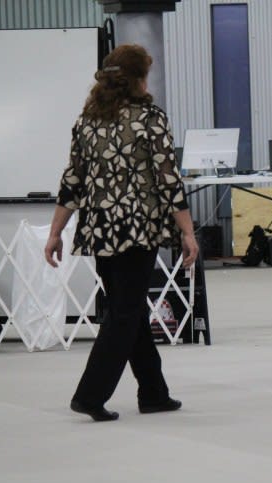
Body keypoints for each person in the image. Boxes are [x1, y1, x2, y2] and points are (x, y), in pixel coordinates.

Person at [44, 44, 199, 421]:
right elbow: (169, 181)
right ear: (138, 78)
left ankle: (154, 393)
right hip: (138, 229)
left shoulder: (86, 120)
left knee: (124, 310)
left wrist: (55, 233)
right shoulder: (150, 118)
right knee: (126, 314)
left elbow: (72, 183)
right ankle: (90, 395)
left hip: (100, 229)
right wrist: (188, 233)